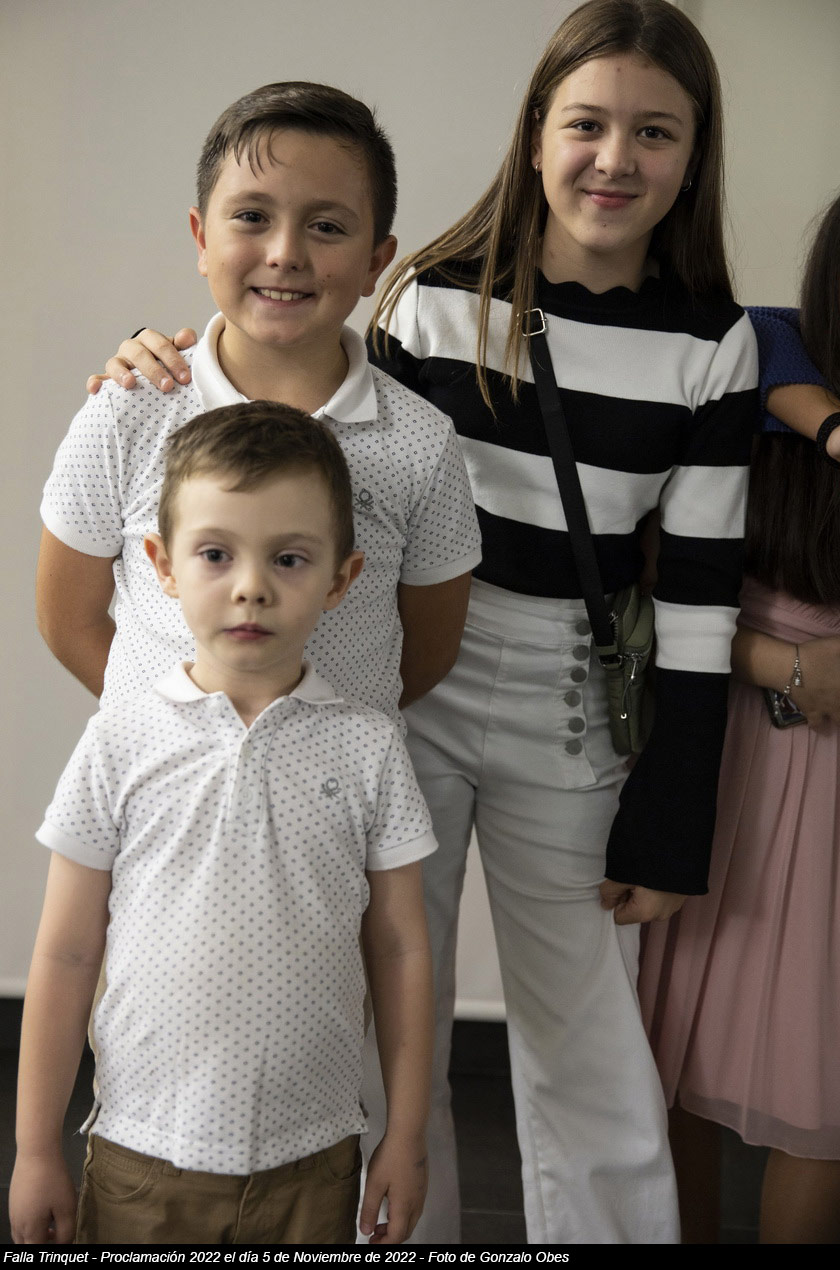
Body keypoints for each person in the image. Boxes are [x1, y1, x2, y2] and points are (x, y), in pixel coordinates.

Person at [37, 80, 480, 1243]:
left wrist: (312, 734)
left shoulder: (420, 448)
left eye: (327, 226)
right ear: (200, 236)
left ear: (376, 258)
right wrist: (182, 728)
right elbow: (70, 617)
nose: (285, 253)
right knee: (156, 1104)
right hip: (170, 830)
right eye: (251, 217)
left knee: (349, 1102)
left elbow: (426, 645)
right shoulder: (130, 409)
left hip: (338, 820)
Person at [10, 402, 437, 1246]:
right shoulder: (120, 740)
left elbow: (399, 950)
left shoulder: (369, 748)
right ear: (162, 565)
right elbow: (64, 954)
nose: (251, 586)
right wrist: (32, 1152)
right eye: (216, 554)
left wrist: (408, 1135)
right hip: (141, 1155)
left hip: (316, 1156)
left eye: (289, 558)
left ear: (341, 579)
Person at [638, 172, 840, 1245]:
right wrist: (780, 662)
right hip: (726, 745)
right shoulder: (769, 362)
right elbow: (656, 586)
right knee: (675, 1035)